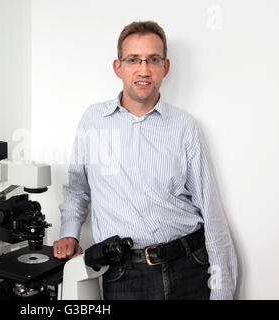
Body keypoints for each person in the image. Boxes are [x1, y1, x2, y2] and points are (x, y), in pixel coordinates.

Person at [53, 21, 237, 300]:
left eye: (153, 59)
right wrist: (70, 232)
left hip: (190, 265)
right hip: (125, 275)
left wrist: (222, 291)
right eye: (133, 60)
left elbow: (211, 211)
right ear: (118, 67)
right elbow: (78, 188)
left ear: (165, 67)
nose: (144, 70)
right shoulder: (93, 121)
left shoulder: (185, 127)